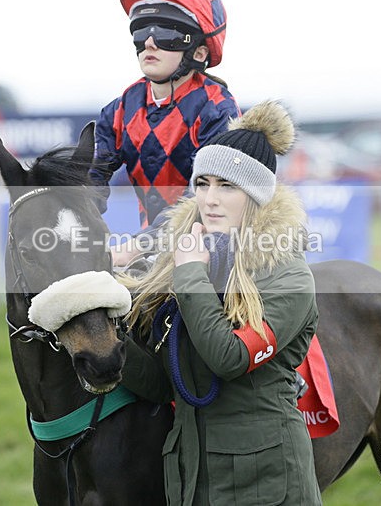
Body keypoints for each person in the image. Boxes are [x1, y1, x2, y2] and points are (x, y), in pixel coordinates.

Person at [118, 100, 323, 505]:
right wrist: (103, 335)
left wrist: (189, 274)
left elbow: (229, 358)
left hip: (266, 483)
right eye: (203, 183)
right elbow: (164, 386)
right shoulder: (187, 259)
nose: (209, 199)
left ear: (257, 197)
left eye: (227, 186)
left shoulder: (289, 277)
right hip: (191, 480)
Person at [90, 0, 241, 265]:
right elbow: (91, 183)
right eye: (141, 31)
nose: (148, 42)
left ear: (198, 51)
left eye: (166, 33)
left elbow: (204, 196)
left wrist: (137, 247)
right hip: (153, 246)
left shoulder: (218, 108)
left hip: (215, 243)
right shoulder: (119, 110)